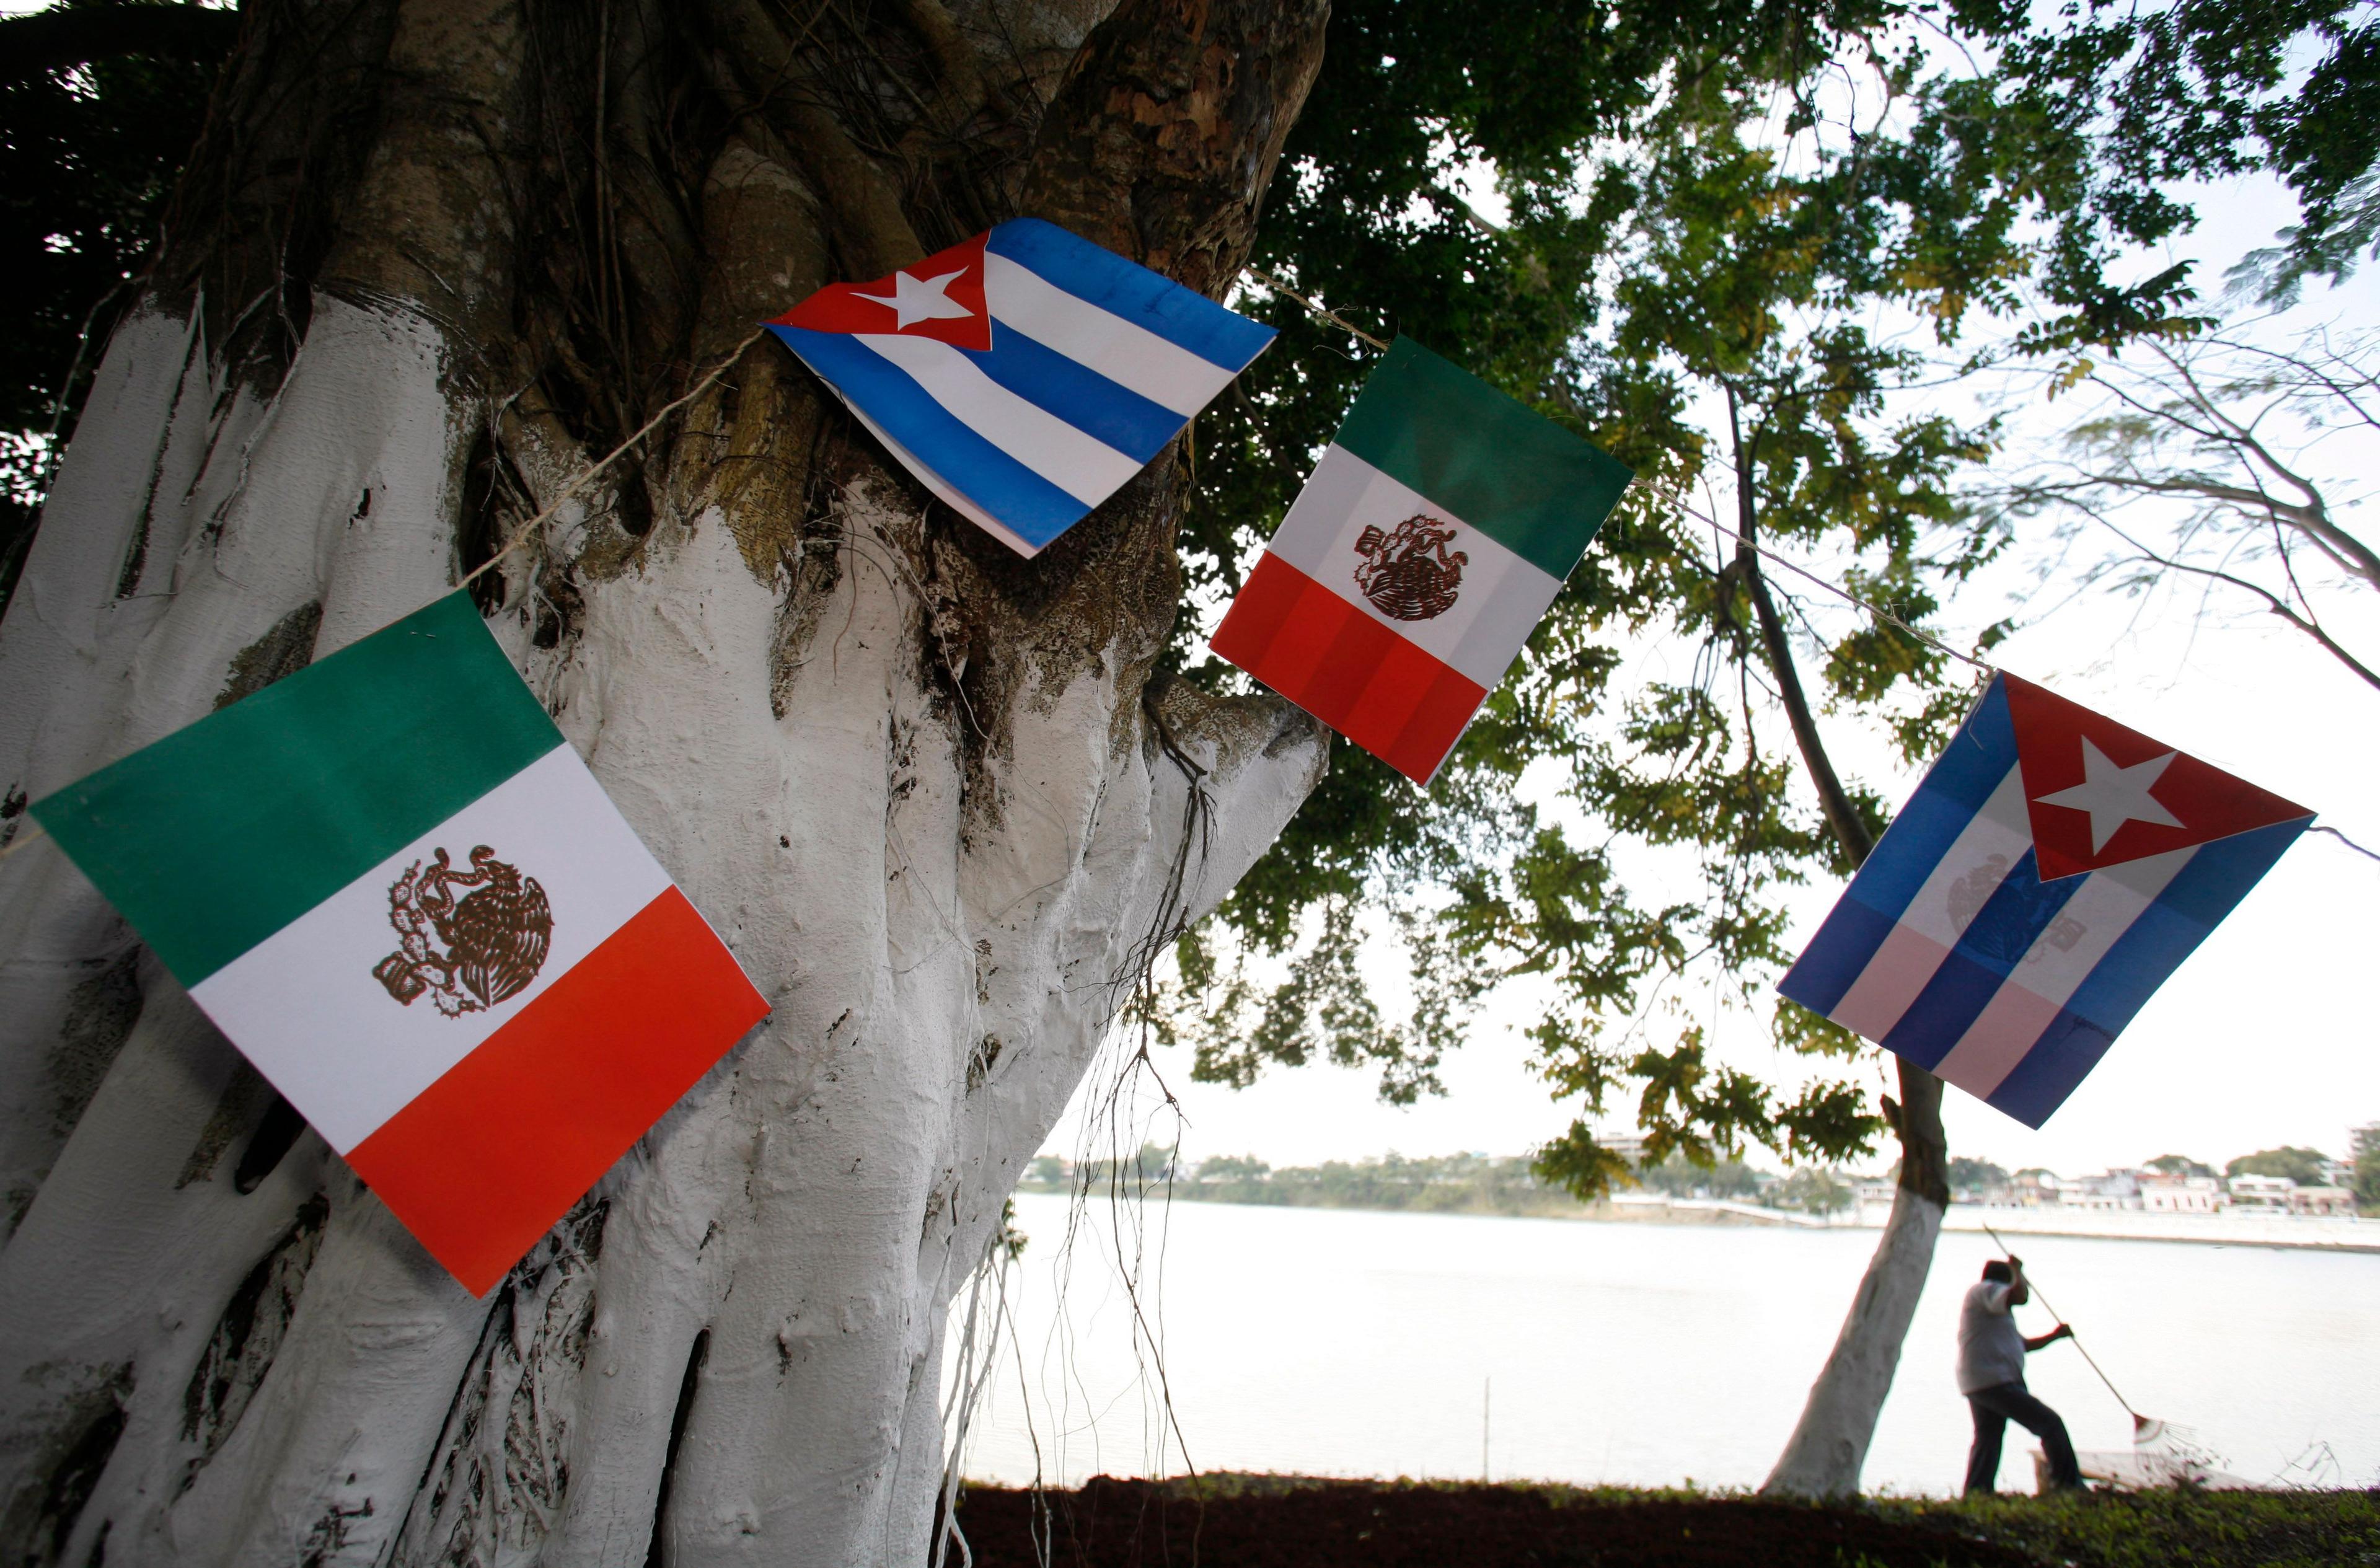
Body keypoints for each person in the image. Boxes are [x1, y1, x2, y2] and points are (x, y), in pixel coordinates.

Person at [1957, 1255, 2083, 1494]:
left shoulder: (1993, 1311)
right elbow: (2020, 1296)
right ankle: (2068, 1486)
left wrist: (2055, 1336)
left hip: (1982, 1381)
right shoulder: (1987, 1290)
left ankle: (1977, 1493)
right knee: (2050, 1424)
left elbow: (2022, 1345)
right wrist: (2018, 1271)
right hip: (1993, 1381)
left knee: (1989, 1438)